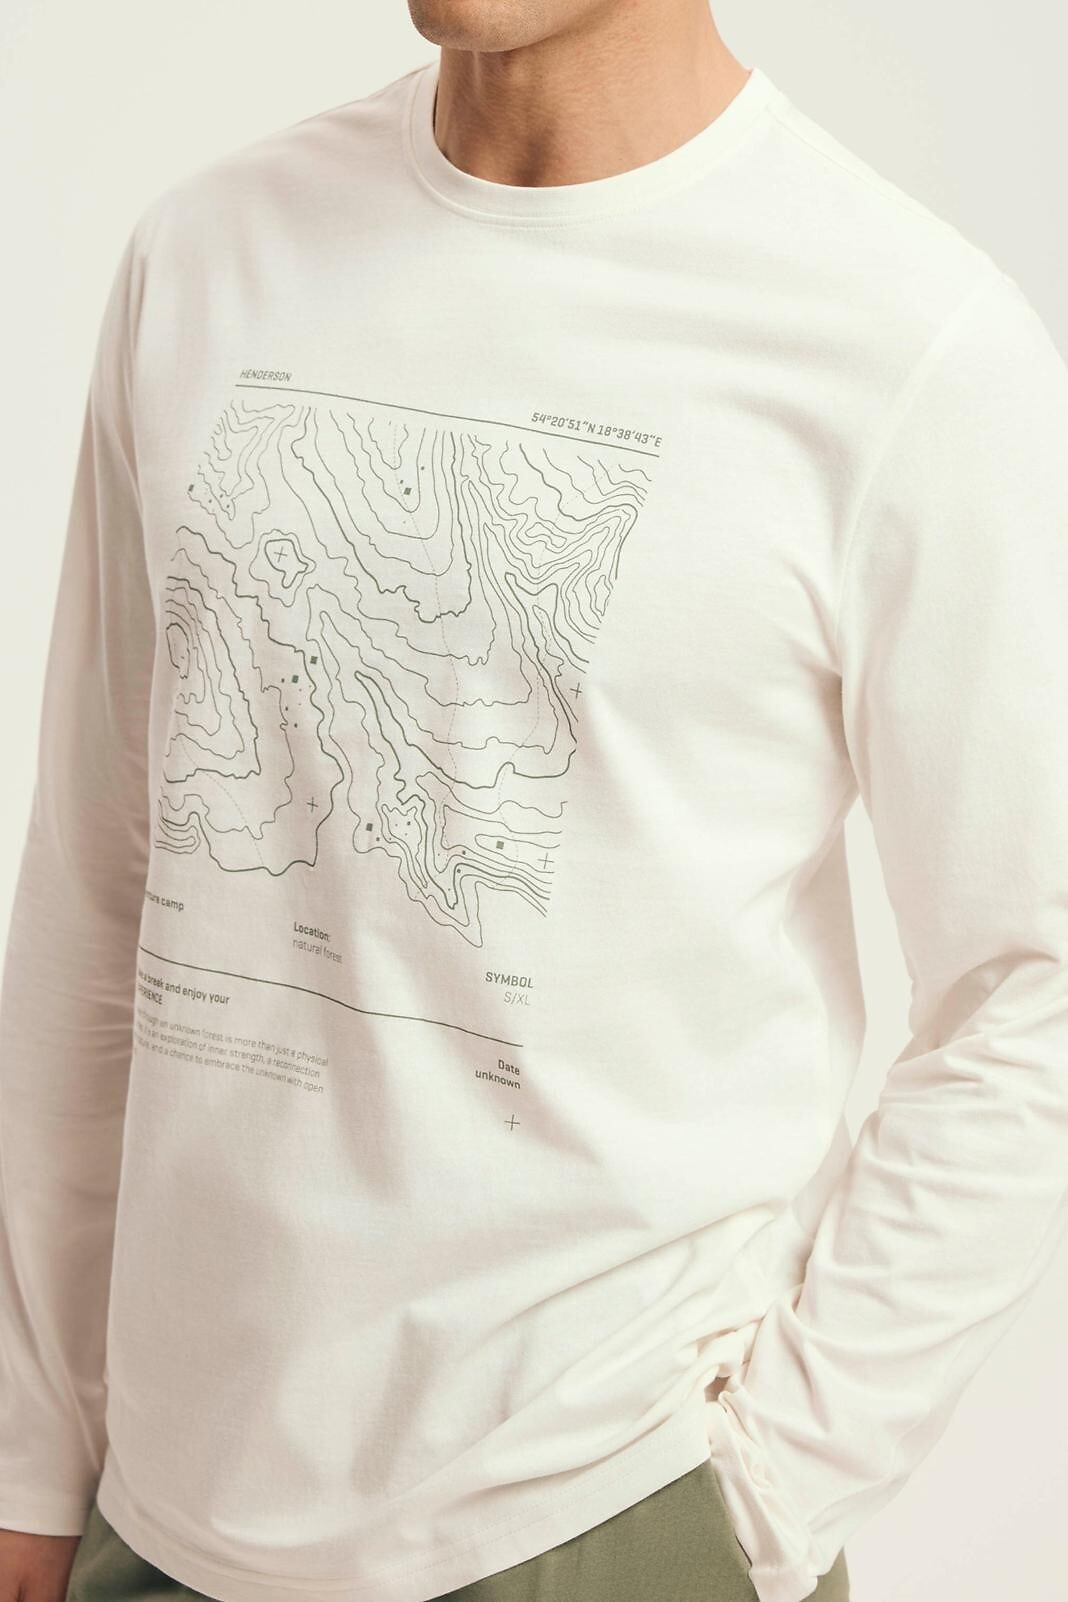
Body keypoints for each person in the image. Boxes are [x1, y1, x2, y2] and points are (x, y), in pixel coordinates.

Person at [2, 1, 1067, 1599]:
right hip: (158, 1516)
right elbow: (100, 874)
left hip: (597, 1520)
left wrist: (756, 1507)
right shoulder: (209, 255)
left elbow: (1031, 981)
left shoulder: (908, 344)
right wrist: (30, 1442)